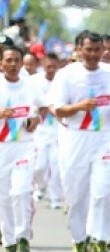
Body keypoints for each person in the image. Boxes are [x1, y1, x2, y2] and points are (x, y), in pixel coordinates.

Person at [49, 31, 110, 252]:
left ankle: (100, 239)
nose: (95, 54)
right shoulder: (66, 75)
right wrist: (79, 107)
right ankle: (79, 240)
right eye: (89, 50)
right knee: (77, 194)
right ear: (79, 50)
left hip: (105, 137)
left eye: (98, 50)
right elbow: (56, 109)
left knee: (104, 191)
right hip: (76, 137)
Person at [0, 45, 41, 252]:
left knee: (21, 191)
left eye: (16, 60)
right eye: (9, 60)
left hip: (24, 146)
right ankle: (9, 241)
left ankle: (23, 237)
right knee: (4, 197)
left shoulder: (30, 85)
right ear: (1, 63)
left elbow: (43, 107)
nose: (13, 64)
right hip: (2, 148)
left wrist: (36, 119)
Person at [32, 53, 63, 209]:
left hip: (58, 130)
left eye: (53, 66)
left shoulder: (62, 81)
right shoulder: (35, 81)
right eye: (48, 66)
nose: (51, 70)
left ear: (58, 65)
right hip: (40, 130)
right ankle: (41, 186)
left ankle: (56, 198)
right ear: (43, 65)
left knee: (56, 165)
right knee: (39, 166)